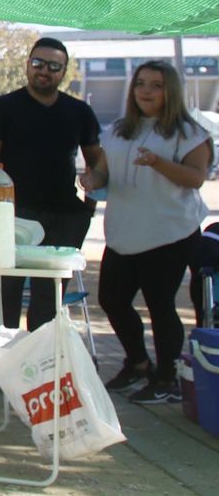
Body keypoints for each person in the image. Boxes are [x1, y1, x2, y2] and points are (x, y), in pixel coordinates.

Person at [0, 36, 105, 393]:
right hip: (13, 217)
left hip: (64, 216)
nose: (44, 71)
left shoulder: (79, 112)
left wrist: (91, 192)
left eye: (53, 66)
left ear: (64, 71)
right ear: (28, 64)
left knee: (49, 297)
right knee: (6, 294)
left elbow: (98, 162)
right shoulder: (4, 107)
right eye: (38, 63)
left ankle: (39, 370)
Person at [82, 60, 212, 404]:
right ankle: (138, 364)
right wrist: (91, 180)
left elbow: (196, 178)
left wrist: (158, 162)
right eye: (140, 83)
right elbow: (102, 173)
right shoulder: (119, 130)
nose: (146, 91)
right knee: (112, 300)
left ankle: (167, 377)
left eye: (156, 84)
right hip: (123, 234)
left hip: (170, 234)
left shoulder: (189, 133)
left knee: (160, 305)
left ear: (170, 90)